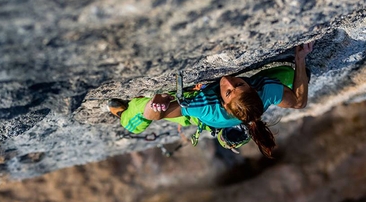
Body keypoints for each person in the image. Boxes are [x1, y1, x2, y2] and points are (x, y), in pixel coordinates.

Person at [109, 42, 314, 158]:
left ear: (223, 103)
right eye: (239, 85)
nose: (228, 82)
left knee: (137, 112)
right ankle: (230, 135)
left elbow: (157, 115)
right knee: (291, 75)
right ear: (252, 88)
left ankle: (124, 116)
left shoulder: (205, 107)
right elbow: (298, 102)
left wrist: (159, 101)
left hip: (200, 116)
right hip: (235, 114)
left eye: (227, 92)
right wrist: (300, 59)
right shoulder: (267, 91)